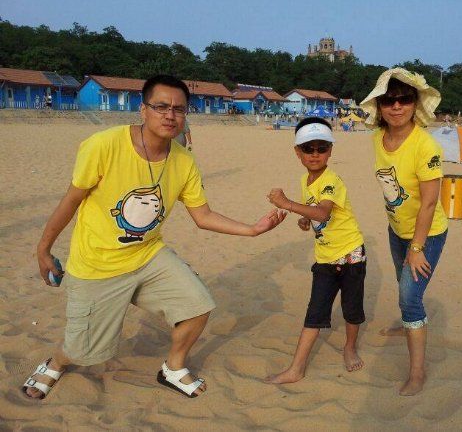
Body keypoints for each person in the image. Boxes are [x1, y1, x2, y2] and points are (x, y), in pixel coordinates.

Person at [22, 75, 286, 401]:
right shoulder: (103, 145)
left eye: (178, 109)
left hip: (148, 255)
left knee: (198, 305)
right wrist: (43, 248)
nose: (169, 115)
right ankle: (56, 361)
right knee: (83, 350)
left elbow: (202, 216)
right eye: (160, 106)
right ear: (143, 109)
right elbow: (71, 201)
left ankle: (173, 368)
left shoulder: (184, 161)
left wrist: (252, 229)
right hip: (97, 264)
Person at [360, 68, 448, 396]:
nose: (396, 107)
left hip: (427, 234)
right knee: (403, 286)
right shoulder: (376, 139)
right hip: (396, 229)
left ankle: (417, 373)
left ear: (414, 104)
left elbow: (429, 203)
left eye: (404, 100)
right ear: (380, 106)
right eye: (389, 100)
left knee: (410, 298)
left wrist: (417, 246)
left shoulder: (425, 147)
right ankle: (407, 323)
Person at [264, 117, 366, 384]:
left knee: (351, 309)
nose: (315, 154)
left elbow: (323, 210)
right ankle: (296, 368)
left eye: (321, 148)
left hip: (351, 255)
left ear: (330, 150)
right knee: (315, 311)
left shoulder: (332, 180)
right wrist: (305, 220)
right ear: (297, 152)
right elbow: (315, 211)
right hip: (324, 258)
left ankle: (349, 346)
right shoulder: (305, 180)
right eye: (308, 148)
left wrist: (288, 203)